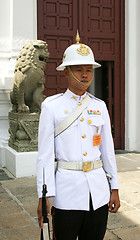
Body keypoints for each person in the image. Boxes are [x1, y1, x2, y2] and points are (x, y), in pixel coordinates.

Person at [37, 32, 120, 240]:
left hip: (98, 192)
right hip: (67, 194)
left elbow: (107, 150)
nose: (85, 75)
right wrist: (43, 196)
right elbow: (45, 156)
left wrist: (115, 187)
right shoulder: (51, 107)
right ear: (66, 72)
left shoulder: (99, 106)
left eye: (89, 70)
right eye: (79, 70)